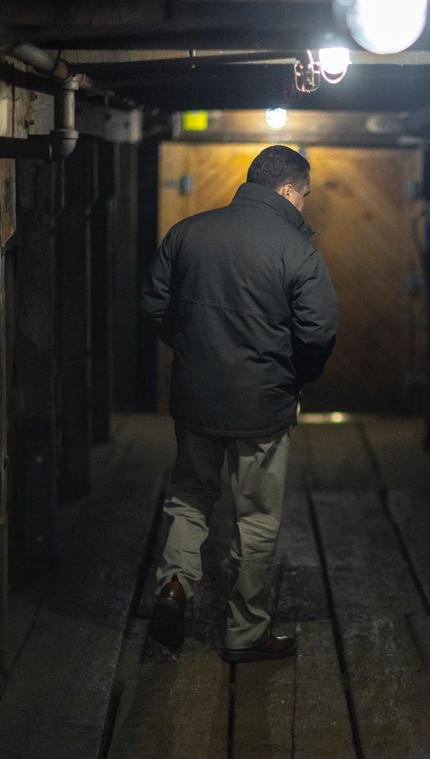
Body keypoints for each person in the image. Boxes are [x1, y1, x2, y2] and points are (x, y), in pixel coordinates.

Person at [140, 145, 338, 662]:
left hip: (196, 398)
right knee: (256, 516)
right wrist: (296, 376)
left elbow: (153, 304)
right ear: (289, 189)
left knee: (189, 497)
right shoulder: (297, 250)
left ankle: (174, 588)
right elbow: (319, 331)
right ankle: (245, 631)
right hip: (263, 405)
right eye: (306, 196)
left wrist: (192, 351)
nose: (305, 207)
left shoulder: (187, 232)